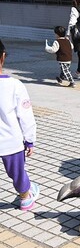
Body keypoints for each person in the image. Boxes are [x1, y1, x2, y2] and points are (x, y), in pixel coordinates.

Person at [0, 40, 40, 211]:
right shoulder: (14, 85)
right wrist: (30, 140)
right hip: (10, 141)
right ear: (2, 57)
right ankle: (25, 198)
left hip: (9, 141)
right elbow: (26, 117)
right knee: (17, 172)